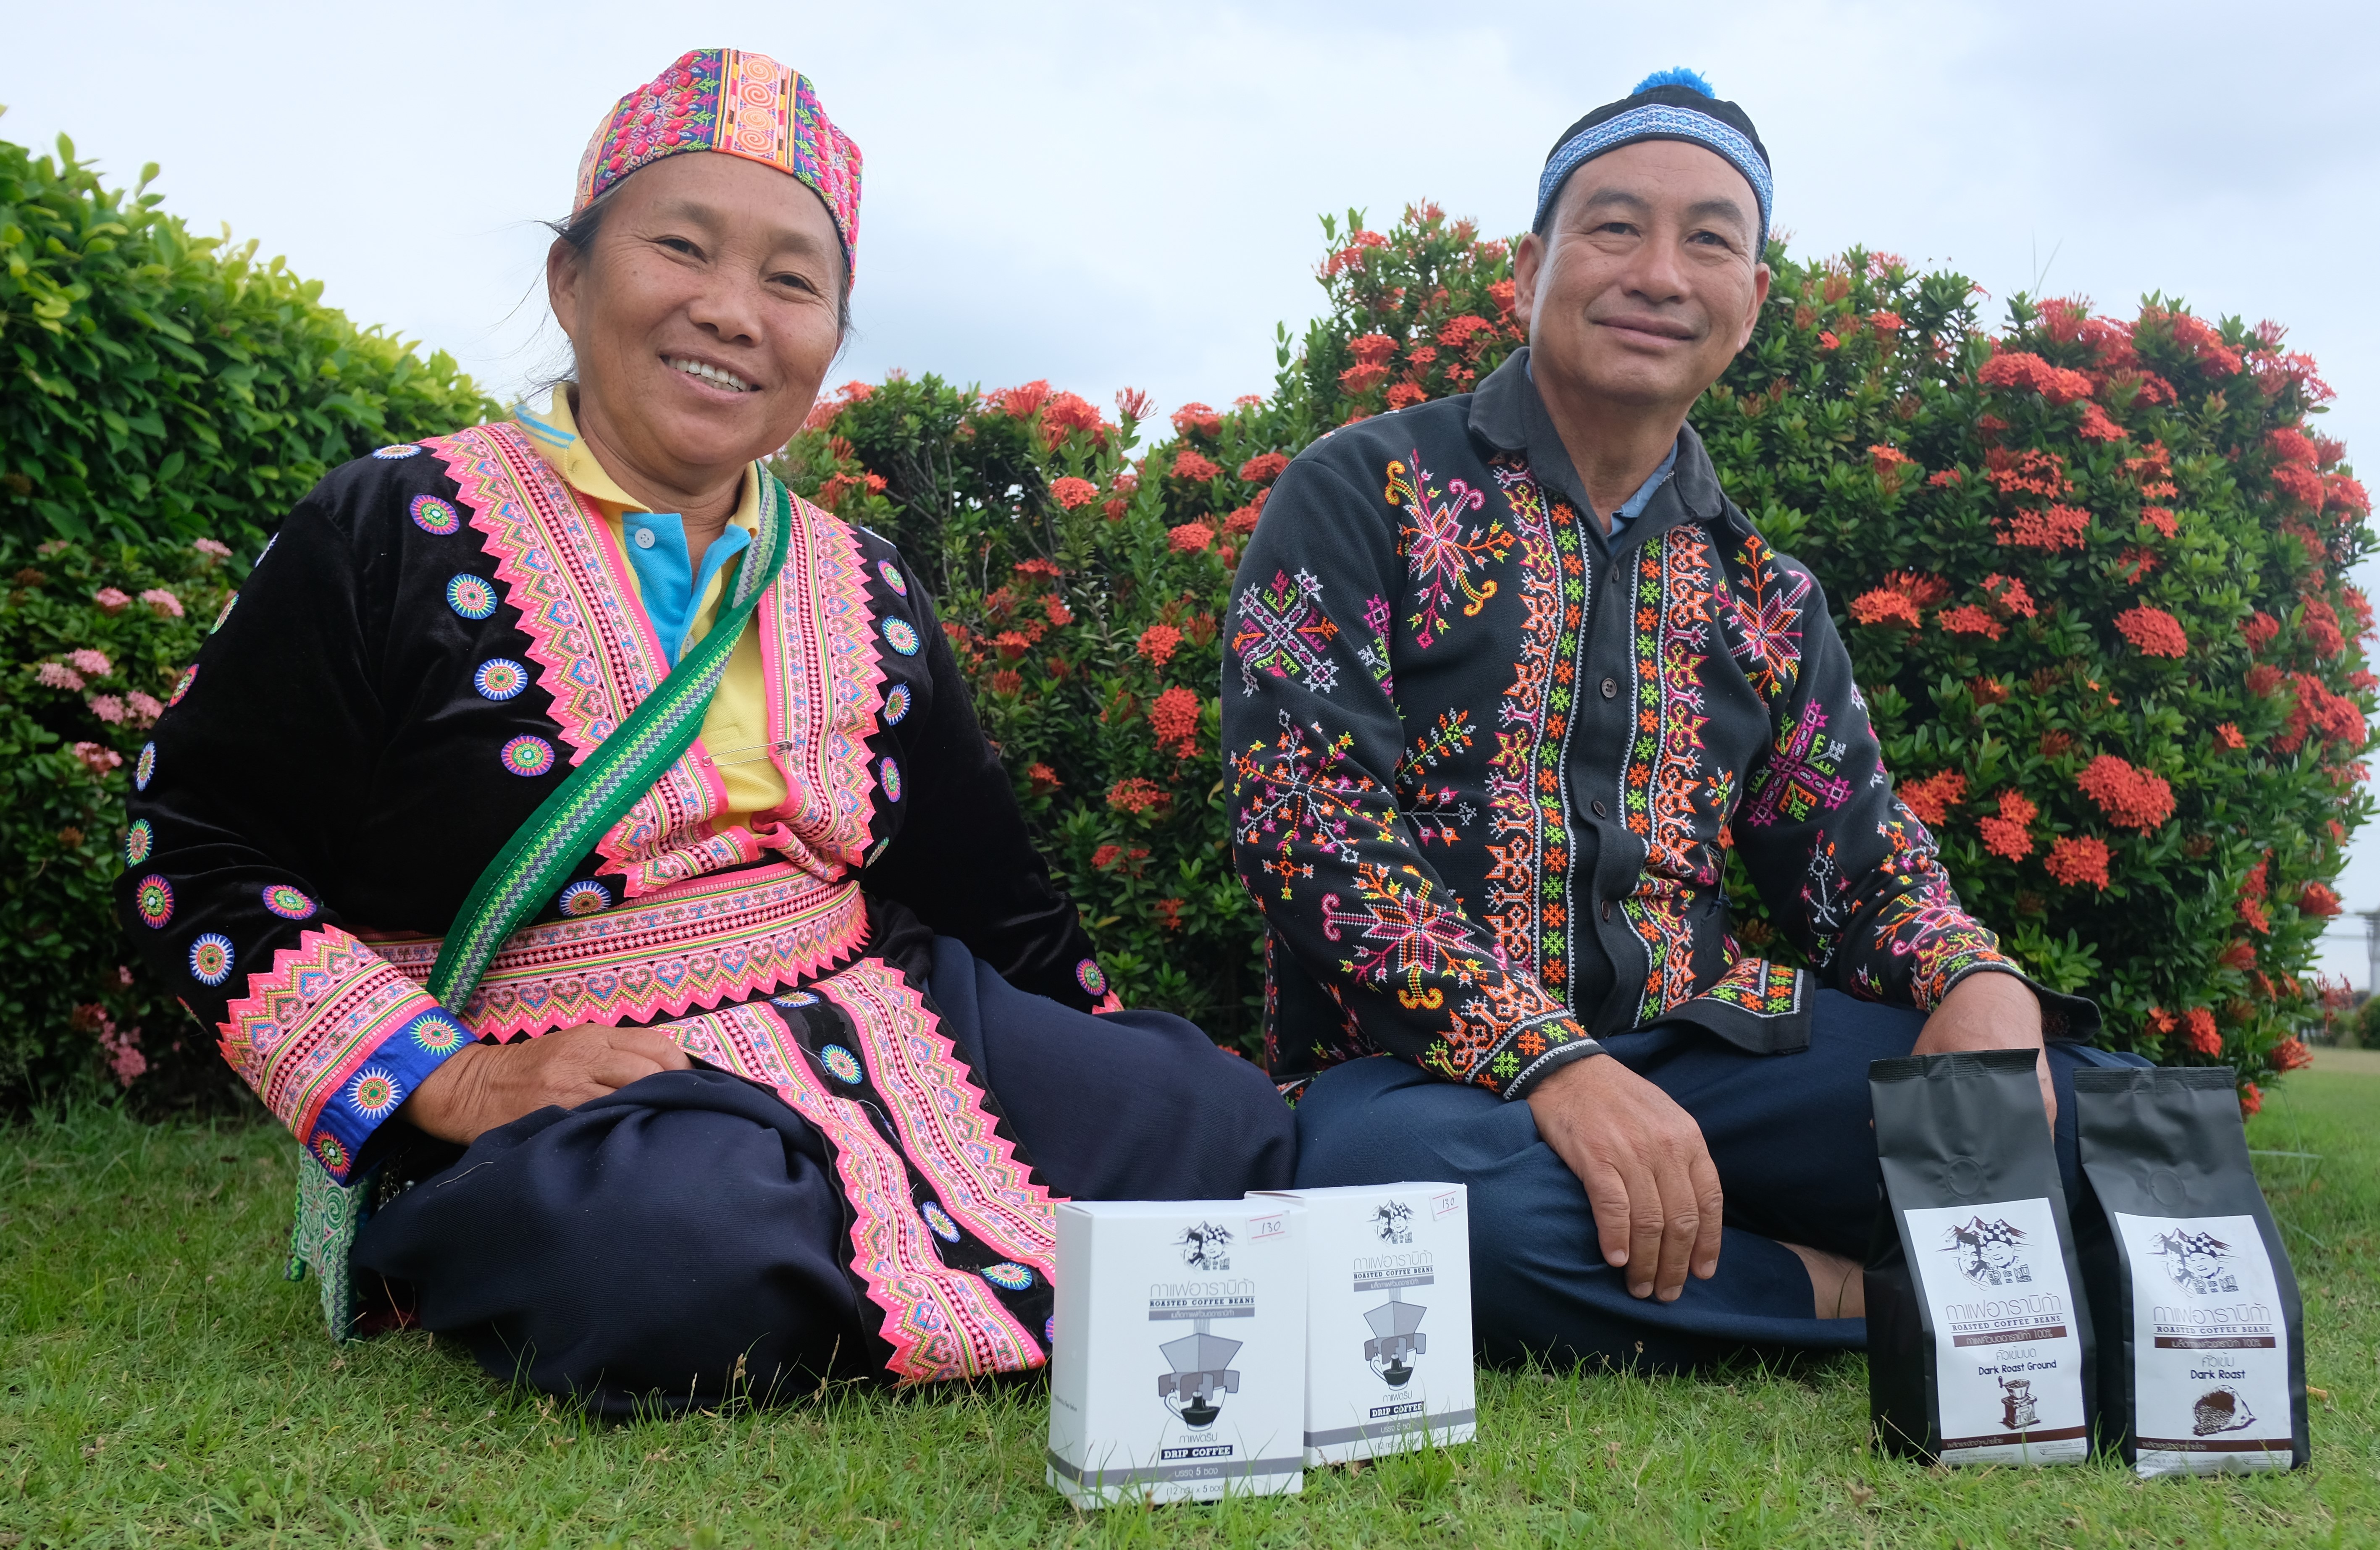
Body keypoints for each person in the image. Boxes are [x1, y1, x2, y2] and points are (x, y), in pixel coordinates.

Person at [118, 47, 1291, 1413]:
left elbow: (982, 883)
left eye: (793, 280)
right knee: (665, 1251)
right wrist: (448, 1082)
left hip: (874, 999)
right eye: (681, 247)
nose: (733, 311)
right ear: (572, 281)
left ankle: (862, 1250)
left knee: (1218, 1119)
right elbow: (192, 850)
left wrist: (1102, 1062)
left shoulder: (865, 580)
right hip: (576, 1060)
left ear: (828, 342)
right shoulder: (388, 527)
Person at [1224, 68, 2140, 1369]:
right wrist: (1551, 1065)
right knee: (1414, 1212)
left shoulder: (1762, 591)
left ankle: (1713, 1236)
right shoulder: (1362, 489)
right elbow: (1308, 830)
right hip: (1423, 1082)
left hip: (1708, 1054)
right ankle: (1840, 1292)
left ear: (1751, 300)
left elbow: (1859, 866)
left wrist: (1972, 978)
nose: (1659, 271)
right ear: (1531, 264)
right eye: (1613, 226)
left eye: (1709, 237)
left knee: (2101, 1114)